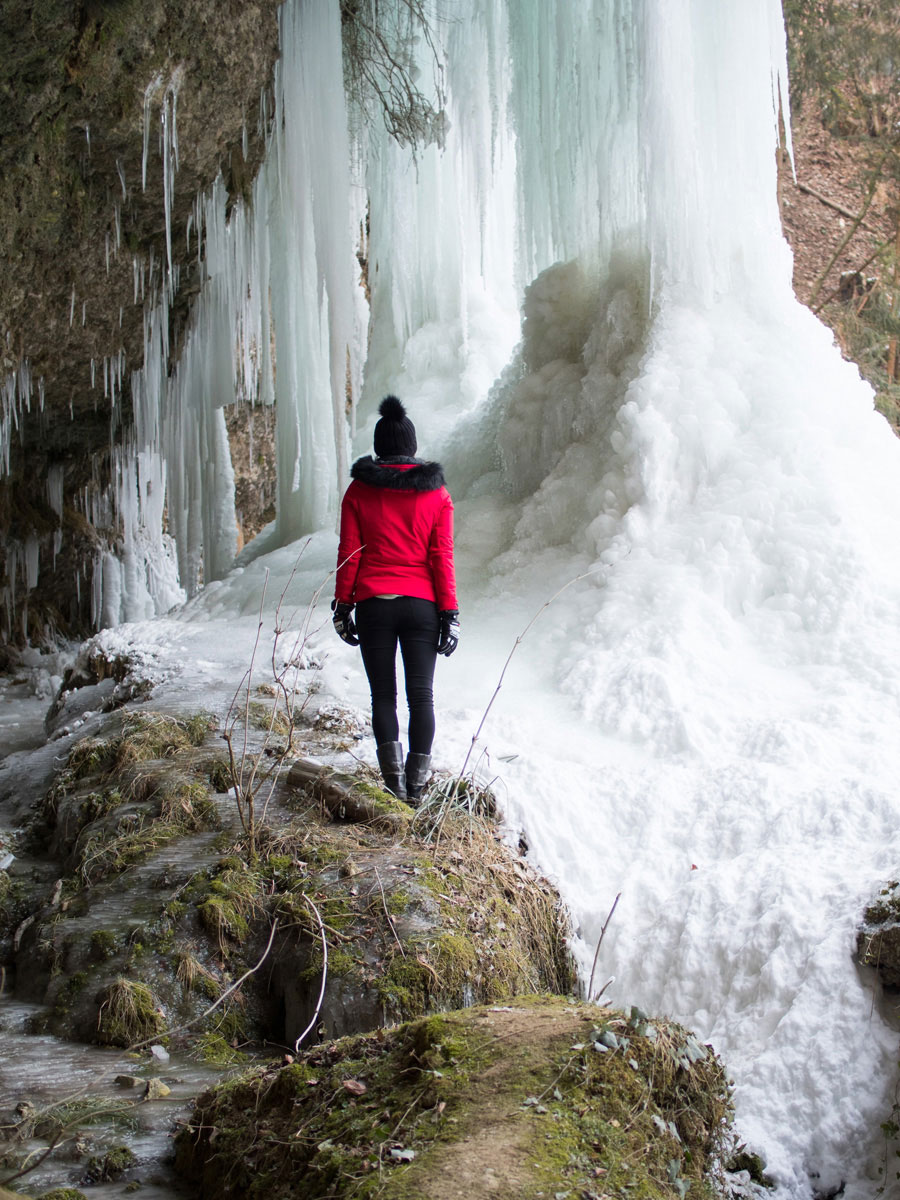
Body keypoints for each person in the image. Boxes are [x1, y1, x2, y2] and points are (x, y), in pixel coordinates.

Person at [331, 395, 459, 802]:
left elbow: (349, 551)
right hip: (422, 604)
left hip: (373, 604)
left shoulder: (359, 490)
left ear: (379, 446)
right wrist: (450, 612)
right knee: (422, 697)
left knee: (383, 696)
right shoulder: (436, 493)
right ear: (413, 446)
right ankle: (416, 791)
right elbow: (442, 555)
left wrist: (342, 606)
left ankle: (393, 786)